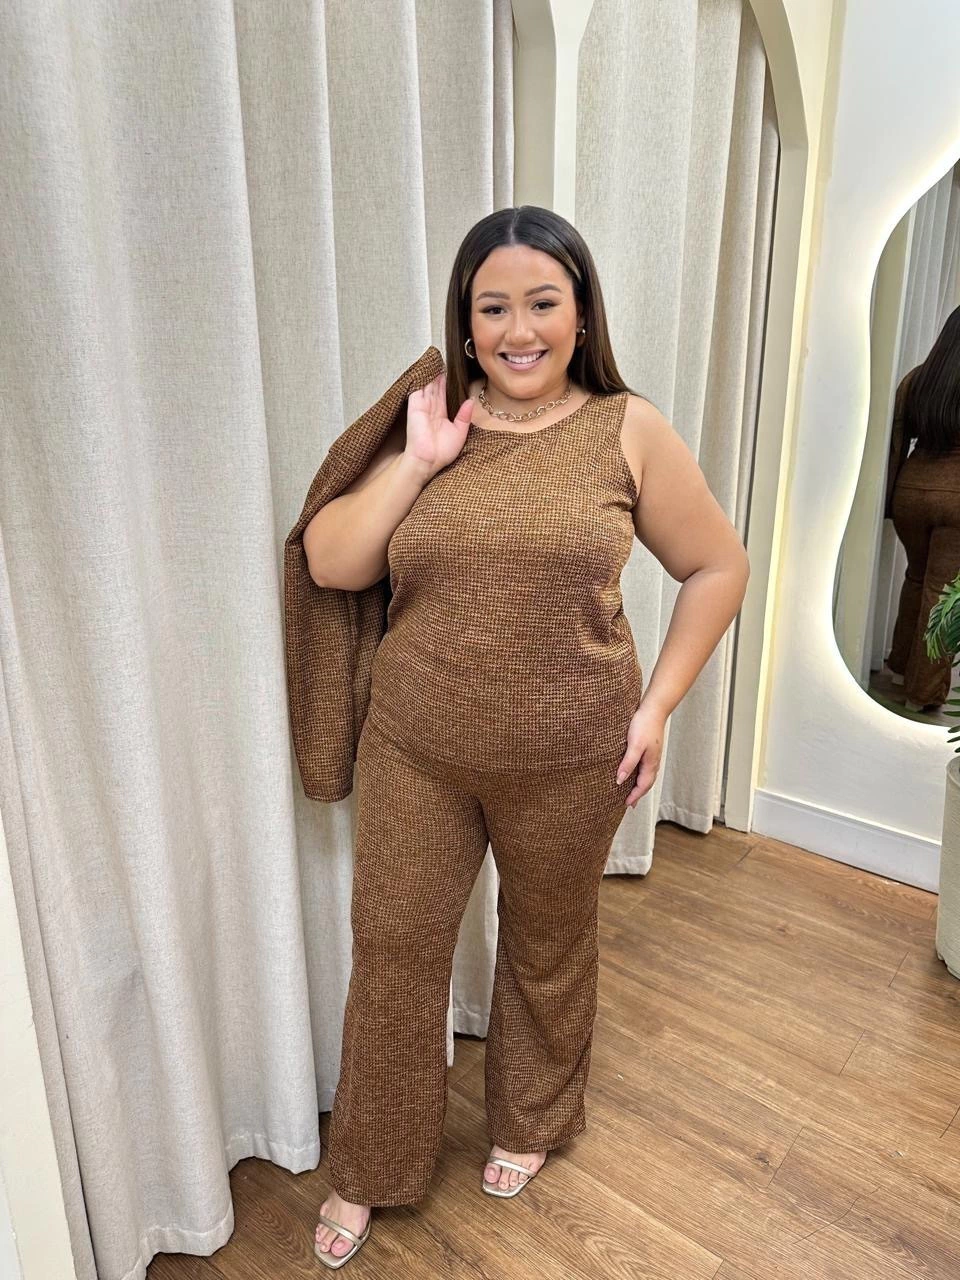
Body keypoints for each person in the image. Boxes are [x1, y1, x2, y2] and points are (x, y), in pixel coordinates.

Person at [303, 205, 750, 1266]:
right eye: (492, 306)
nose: (518, 329)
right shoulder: (429, 419)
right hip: (415, 746)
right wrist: (418, 463)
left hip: (573, 754)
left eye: (542, 303)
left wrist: (656, 707)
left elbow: (716, 566)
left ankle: (531, 1118)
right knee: (395, 951)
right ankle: (370, 1163)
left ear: (580, 312)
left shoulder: (627, 428)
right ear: (465, 321)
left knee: (548, 940)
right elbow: (329, 561)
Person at [884, 305, 960, 711]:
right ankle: (923, 694)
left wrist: (888, 499)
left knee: (916, 578)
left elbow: (897, 443)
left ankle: (899, 669)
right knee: (943, 595)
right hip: (956, 498)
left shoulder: (917, 379)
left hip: (910, 493)